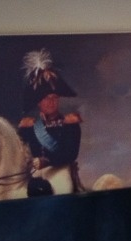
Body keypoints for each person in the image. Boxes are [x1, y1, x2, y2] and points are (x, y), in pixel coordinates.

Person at [17, 48, 83, 195]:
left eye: (54, 97)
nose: (52, 101)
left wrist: (46, 161)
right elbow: (19, 150)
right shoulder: (29, 127)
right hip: (34, 173)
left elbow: (71, 154)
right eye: (47, 98)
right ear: (38, 102)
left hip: (60, 170)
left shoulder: (70, 124)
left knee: (63, 190)